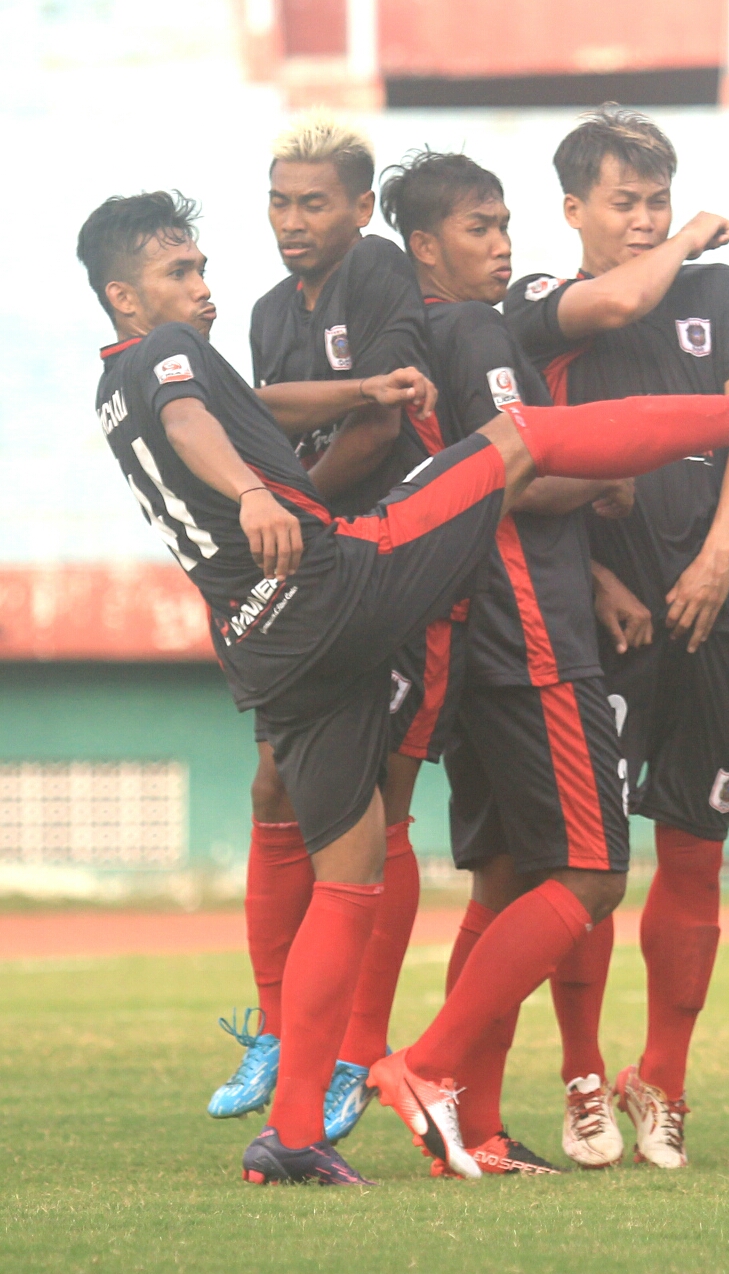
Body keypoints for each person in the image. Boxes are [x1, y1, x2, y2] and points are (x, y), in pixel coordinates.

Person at [80, 187, 729, 1183]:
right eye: (180, 273)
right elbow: (193, 421)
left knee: (348, 880)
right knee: (518, 441)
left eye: (204, 267)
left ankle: (295, 1129)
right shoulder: (161, 360)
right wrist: (257, 488)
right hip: (339, 583)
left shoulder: (114, 385)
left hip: (270, 647)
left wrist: (347, 402)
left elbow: (230, 411)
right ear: (124, 299)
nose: (206, 289)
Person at [503, 107, 729, 1169]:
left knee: (696, 854)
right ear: (574, 210)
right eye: (626, 203)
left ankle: (662, 1077)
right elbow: (530, 471)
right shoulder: (543, 310)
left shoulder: (720, 294)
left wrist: (718, 553)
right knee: (590, 860)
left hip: (718, 599)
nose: (647, 219)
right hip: (595, 617)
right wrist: (607, 575)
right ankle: (582, 1074)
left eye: (659, 200)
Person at [380, 148, 642, 1174]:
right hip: (531, 636)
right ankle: (430, 1061)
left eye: (504, 224)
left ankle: (472, 1129)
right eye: (479, 227)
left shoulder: (419, 334)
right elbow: (519, 477)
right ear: (426, 246)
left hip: (470, 634)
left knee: (500, 883)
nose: (502, 243)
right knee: (591, 871)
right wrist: (609, 473)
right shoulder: (475, 327)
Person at [210, 113, 446, 1143]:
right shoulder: (268, 310)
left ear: (358, 207)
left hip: (390, 571)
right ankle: (277, 1031)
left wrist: (298, 511)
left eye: (314, 202)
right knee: (276, 784)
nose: (292, 221)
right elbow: (268, 422)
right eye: (278, 200)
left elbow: (385, 421)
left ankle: (356, 1048)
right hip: (309, 579)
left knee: (378, 812)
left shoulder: (383, 276)